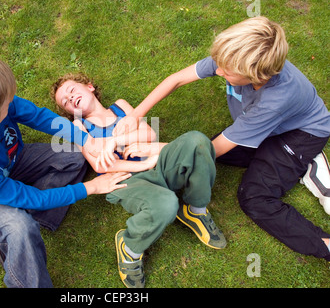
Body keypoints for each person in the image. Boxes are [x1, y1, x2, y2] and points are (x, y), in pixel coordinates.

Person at [113, 16, 330, 261]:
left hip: (300, 134)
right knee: (206, 150)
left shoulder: (274, 101)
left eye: (226, 71)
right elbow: (177, 79)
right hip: (268, 126)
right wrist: (135, 114)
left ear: (255, 76)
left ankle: (323, 240)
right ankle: (288, 161)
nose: (217, 71)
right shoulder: (234, 57)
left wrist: (158, 152)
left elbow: (210, 149)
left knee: (254, 198)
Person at [0, 48, 130, 288]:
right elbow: (31, 197)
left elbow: (40, 117)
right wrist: (89, 187)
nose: (12, 105)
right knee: (19, 227)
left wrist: (85, 140)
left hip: (16, 159)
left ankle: (40, 217)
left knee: (75, 156)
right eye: (7, 105)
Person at [51, 72, 226, 288]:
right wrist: (143, 163)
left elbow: (149, 134)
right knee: (167, 204)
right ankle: (129, 248)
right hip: (124, 180)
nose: (70, 99)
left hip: (157, 164)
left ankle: (195, 210)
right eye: (65, 102)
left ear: (89, 87)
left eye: (71, 90)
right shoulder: (79, 128)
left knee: (198, 142)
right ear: (69, 112)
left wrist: (116, 141)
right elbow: (100, 165)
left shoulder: (120, 107)